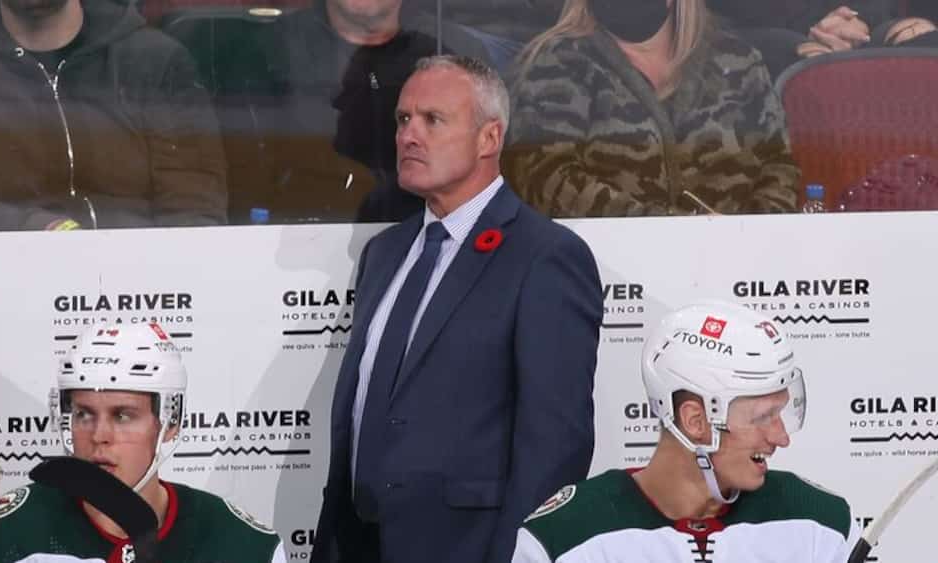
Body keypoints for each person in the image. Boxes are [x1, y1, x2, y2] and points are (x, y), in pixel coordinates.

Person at [311, 55, 603, 563]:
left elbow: (556, 444)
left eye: (433, 120)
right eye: (403, 119)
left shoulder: (545, 257)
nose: (408, 135)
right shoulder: (385, 254)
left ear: (489, 138)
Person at [513, 301, 861, 562]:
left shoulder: (822, 523)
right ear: (695, 420)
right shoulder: (563, 538)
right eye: (762, 417)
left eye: (781, 412)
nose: (781, 437)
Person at [0, 323, 286, 563]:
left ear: (170, 423)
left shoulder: (245, 544)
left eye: (123, 416)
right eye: (84, 414)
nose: (100, 435)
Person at [0, 0, 227, 231]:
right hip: (14, 274)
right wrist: (50, 234)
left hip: (146, 274)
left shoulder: (156, 60)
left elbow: (195, 208)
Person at [506, 0, 800, 217]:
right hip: (609, 266)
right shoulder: (557, 62)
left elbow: (780, 166)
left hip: (733, 265)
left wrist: (747, 236)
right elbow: (544, 178)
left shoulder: (739, 64)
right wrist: (666, 227)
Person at [219, 0, 489, 224]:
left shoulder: (456, 53)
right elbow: (244, 184)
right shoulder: (266, 52)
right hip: (295, 244)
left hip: (432, 244)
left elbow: (482, 185)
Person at [708, 1, 938, 78]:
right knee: (812, 63)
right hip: (741, 34)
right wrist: (813, 34)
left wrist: (859, 20)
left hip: (852, 23)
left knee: (918, 34)